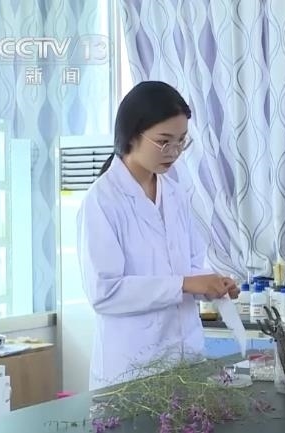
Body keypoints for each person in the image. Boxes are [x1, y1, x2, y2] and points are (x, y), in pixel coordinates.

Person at [77, 81, 239, 390]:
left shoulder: (175, 194)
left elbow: (189, 266)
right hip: (131, 370)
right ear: (132, 134)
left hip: (185, 360)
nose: (174, 152)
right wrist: (184, 284)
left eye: (181, 141)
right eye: (164, 142)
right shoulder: (102, 201)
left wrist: (212, 283)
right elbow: (105, 292)